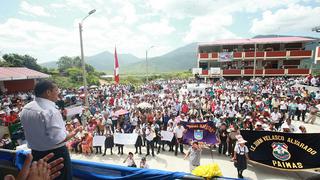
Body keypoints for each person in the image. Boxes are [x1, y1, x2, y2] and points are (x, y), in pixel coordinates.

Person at [20, 80, 80, 180]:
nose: (59, 92)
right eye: (56, 90)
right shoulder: (51, 111)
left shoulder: (26, 108)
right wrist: (74, 132)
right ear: (48, 92)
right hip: (55, 155)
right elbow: (59, 139)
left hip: (35, 154)